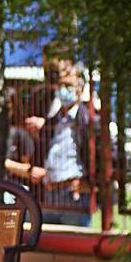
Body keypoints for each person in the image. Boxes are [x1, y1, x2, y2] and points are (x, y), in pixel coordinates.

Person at [28, 68, 96, 226]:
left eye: (67, 85)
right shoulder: (54, 119)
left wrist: (91, 183)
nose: (62, 89)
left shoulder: (85, 120)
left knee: (77, 245)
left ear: (79, 90)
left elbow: (99, 155)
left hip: (74, 196)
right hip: (50, 194)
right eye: (60, 85)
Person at [3, 87, 46, 189]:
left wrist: (4, 163)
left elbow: (28, 170)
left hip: (15, 189)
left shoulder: (21, 134)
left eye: (8, 105)